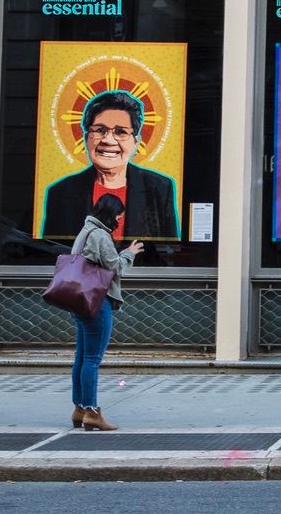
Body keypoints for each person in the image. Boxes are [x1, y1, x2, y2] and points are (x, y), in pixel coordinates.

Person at [42, 90, 179, 241]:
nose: (108, 140)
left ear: (136, 141)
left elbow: (169, 251)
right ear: (87, 137)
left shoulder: (159, 188)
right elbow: (53, 252)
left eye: (121, 132)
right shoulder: (60, 192)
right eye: (100, 130)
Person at [70, 193, 144, 431]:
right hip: (97, 302)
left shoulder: (85, 231)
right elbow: (116, 268)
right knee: (92, 359)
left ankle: (80, 408)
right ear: (111, 214)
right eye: (119, 216)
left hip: (79, 301)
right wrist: (129, 253)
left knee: (81, 358)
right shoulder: (101, 236)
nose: (119, 221)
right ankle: (92, 411)